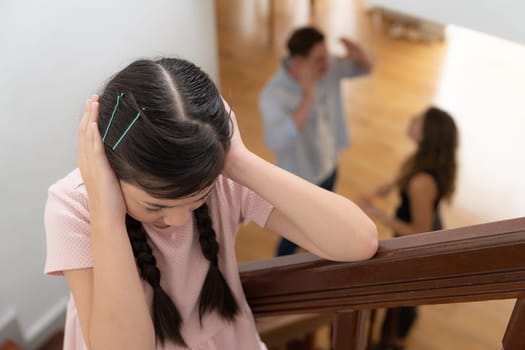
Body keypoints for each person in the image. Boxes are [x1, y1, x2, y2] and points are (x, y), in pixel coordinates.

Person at [44, 57, 378, 350]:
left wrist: (239, 161)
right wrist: (107, 213)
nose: (177, 220)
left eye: (197, 199)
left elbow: (358, 242)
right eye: (156, 206)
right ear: (110, 169)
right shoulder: (73, 207)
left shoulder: (219, 178)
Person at [259, 26, 373, 256]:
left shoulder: (326, 68)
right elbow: (276, 142)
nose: (327, 64)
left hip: (329, 165)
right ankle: (281, 268)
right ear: (298, 61)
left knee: (326, 217)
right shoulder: (274, 95)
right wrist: (308, 96)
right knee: (292, 235)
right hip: (299, 179)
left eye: (326, 56)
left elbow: (365, 70)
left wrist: (360, 54)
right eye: (319, 59)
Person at [359, 106, 458, 350]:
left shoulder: (421, 183)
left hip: (418, 236)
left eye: (419, 120)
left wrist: (378, 215)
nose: (412, 118)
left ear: (426, 135)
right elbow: (410, 174)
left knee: (406, 296)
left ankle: (396, 341)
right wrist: (391, 185)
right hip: (423, 218)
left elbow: (419, 234)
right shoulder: (425, 160)